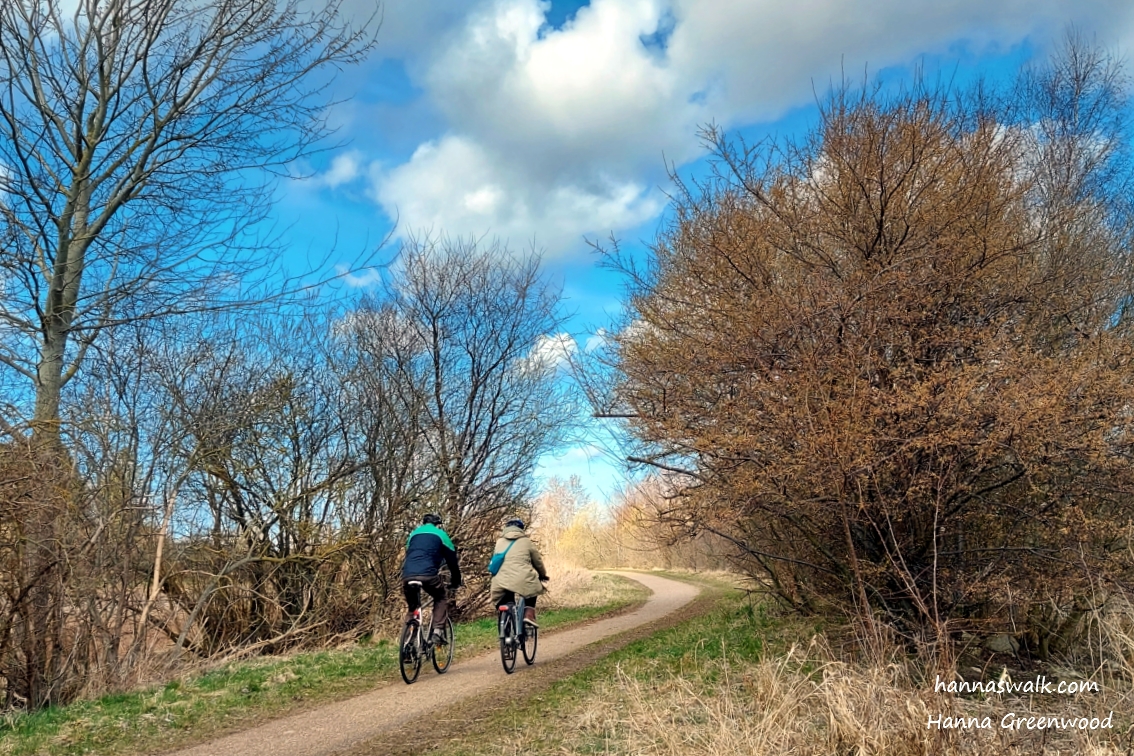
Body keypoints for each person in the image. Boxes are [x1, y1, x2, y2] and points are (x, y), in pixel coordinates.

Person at [402, 513, 462, 642]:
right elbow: (452, 561)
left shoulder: (413, 534)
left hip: (407, 575)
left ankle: (408, 643)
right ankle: (437, 630)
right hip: (428, 574)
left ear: (424, 523)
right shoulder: (441, 534)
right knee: (440, 597)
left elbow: (409, 553)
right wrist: (456, 581)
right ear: (437, 524)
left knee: (413, 608)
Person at [489, 518, 549, 627]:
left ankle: (504, 624)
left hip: (500, 581)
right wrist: (542, 575)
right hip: (522, 579)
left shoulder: (499, 542)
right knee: (534, 586)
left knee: (504, 600)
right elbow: (538, 561)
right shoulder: (526, 542)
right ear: (521, 529)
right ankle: (528, 615)